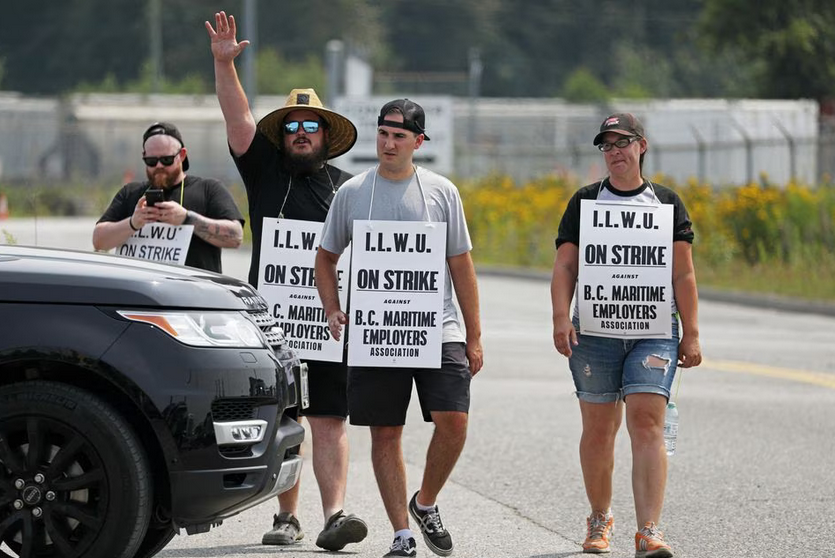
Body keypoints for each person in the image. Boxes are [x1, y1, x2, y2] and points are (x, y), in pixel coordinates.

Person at [205, 10, 367, 552]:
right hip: (272, 321)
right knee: (286, 416)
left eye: (310, 126)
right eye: (292, 126)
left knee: (329, 419)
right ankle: (286, 517)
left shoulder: (349, 188)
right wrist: (224, 65)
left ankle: (336, 515)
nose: (300, 133)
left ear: (326, 135)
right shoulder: (265, 171)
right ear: (284, 136)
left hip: (328, 320)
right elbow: (238, 120)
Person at [315, 99, 484, 558]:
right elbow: (325, 258)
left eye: (399, 136)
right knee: (385, 431)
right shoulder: (353, 192)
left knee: (455, 421)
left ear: (418, 142)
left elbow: (461, 265)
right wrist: (332, 308)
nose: (388, 143)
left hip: (439, 326)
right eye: (383, 133)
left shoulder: (441, 192)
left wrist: (473, 334)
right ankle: (402, 535)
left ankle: (425, 502)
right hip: (376, 332)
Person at [550, 113, 702, 557]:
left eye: (623, 142)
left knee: (647, 422)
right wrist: (561, 317)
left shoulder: (667, 203)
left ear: (642, 146)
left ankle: (649, 531)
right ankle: (600, 519)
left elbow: (684, 274)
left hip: (652, 332)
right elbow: (565, 266)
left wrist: (690, 333)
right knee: (599, 430)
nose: (615, 151)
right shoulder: (585, 202)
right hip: (594, 333)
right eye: (607, 145)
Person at [93, 122, 244, 272]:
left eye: (166, 160)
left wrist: (187, 219)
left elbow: (236, 237)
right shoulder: (130, 193)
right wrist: (133, 223)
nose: (159, 166)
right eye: (151, 161)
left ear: (182, 155)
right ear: (144, 157)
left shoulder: (208, 189)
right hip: (140, 293)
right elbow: (99, 241)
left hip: (193, 293)